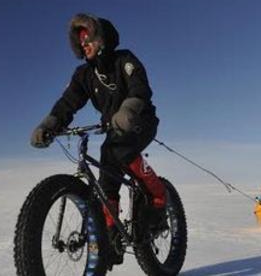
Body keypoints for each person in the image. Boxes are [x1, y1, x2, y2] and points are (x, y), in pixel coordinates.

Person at [30, 13, 167, 261]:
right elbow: (68, 103)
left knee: (115, 152)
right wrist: (49, 124)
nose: (84, 45)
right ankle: (110, 235)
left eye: (88, 38)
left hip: (141, 121)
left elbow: (140, 87)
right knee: (107, 173)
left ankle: (158, 198)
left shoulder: (124, 59)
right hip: (115, 129)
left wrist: (128, 110)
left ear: (102, 39)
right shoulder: (83, 75)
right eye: (80, 42)